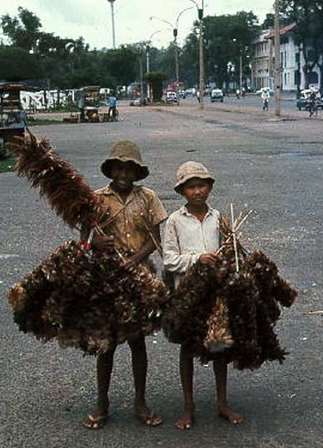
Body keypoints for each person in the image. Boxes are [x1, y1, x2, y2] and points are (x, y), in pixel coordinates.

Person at [81, 140, 167, 430]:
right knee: (105, 344)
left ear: (137, 172)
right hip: (107, 278)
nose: (123, 174)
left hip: (139, 277)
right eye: (118, 168)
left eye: (129, 168)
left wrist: (135, 260)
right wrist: (94, 243)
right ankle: (102, 402)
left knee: (137, 341)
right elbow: (84, 240)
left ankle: (140, 402)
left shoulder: (148, 198)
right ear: (110, 170)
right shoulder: (95, 199)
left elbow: (155, 239)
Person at [162, 161, 245, 430]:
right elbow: (169, 260)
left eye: (201, 186)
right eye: (191, 187)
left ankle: (222, 403)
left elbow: (231, 256)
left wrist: (229, 256)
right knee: (188, 349)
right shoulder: (175, 221)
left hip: (215, 294)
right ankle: (189, 407)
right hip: (187, 294)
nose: (197, 191)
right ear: (182, 191)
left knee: (220, 346)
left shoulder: (219, 218)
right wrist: (198, 259)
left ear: (209, 188)